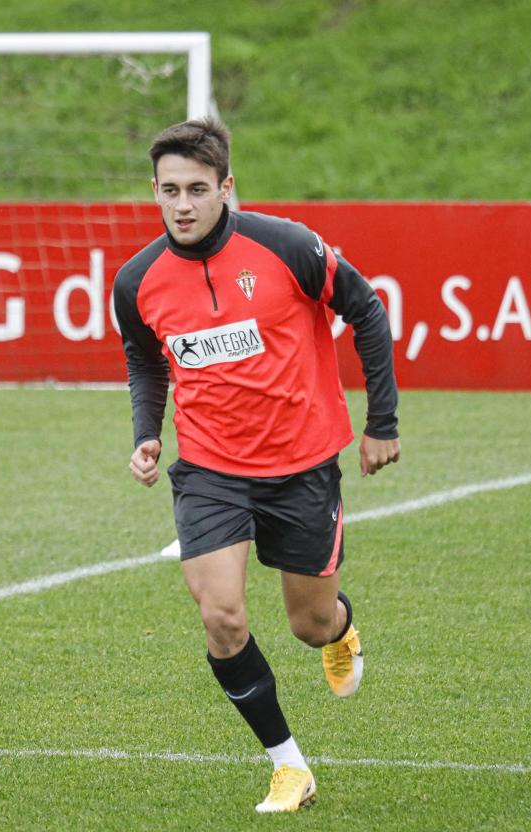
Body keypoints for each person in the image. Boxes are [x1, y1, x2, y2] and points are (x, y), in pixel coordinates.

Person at [114, 117, 400, 813]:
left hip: (303, 465)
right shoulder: (136, 281)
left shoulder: (287, 245)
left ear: (226, 188)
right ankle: (289, 766)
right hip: (210, 469)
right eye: (169, 190)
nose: (182, 205)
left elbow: (365, 309)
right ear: (154, 191)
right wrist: (148, 432)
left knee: (309, 623)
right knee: (222, 617)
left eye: (197, 189)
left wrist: (381, 424)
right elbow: (146, 361)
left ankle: (340, 626)